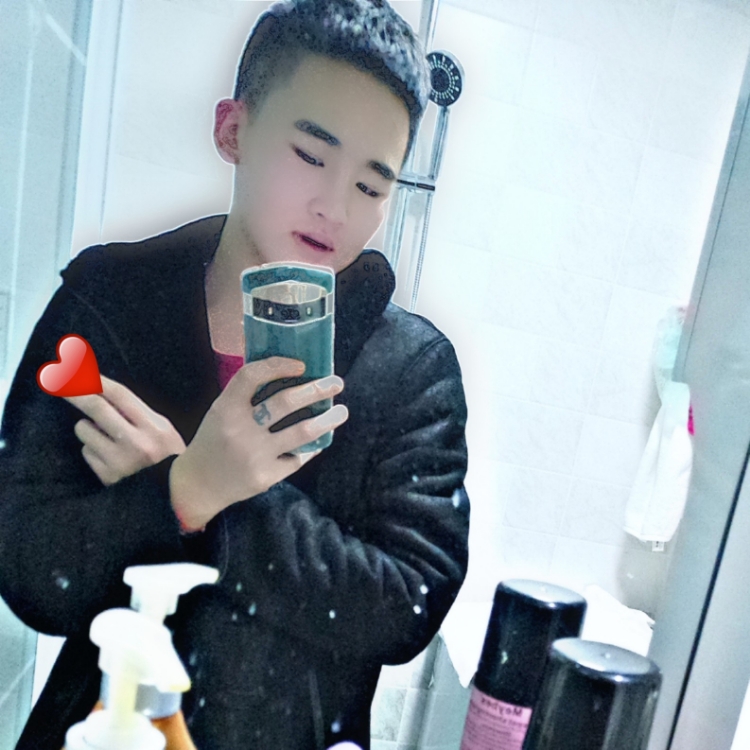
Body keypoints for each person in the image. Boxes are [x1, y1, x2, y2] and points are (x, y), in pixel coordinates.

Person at [0, 1, 470, 748]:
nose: (334, 207)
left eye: (372, 187)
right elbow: (27, 567)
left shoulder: (410, 372)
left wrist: (222, 502)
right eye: (310, 155)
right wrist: (182, 492)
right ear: (233, 131)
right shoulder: (110, 303)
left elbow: (405, 608)